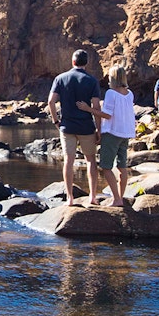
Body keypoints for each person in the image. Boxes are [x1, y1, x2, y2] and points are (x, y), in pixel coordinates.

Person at [47, 49, 102, 205]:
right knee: (91, 160)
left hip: (67, 127)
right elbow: (96, 107)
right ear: (86, 63)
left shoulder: (60, 78)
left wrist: (56, 121)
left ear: (73, 62)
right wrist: (99, 129)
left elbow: (51, 102)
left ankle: (70, 198)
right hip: (86, 127)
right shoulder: (92, 81)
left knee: (68, 161)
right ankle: (92, 197)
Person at [78, 64, 135, 206]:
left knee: (106, 166)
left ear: (113, 78)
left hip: (112, 133)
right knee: (122, 167)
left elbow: (107, 115)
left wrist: (87, 109)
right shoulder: (129, 93)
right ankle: (120, 198)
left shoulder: (111, 93)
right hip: (125, 133)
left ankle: (117, 199)